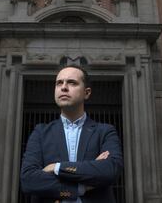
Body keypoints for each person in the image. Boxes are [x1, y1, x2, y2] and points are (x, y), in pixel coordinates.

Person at [20, 65, 123, 203]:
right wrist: (78, 188)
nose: (63, 87)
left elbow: (110, 170)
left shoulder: (105, 131)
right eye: (59, 83)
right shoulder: (40, 132)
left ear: (87, 93)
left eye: (72, 83)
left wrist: (56, 167)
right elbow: (29, 180)